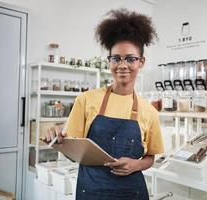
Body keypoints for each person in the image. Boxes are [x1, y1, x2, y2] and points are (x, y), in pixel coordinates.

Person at [42, 8, 164, 200]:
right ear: (109, 62)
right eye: (116, 58)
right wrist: (57, 139)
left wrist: (135, 165)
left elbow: (150, 157)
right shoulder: (86, 100)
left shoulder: (149, 111)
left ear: (141, 62)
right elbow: (72, 152)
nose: (122, 65)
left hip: (131, 193)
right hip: (91, 192)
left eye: (130, 59)